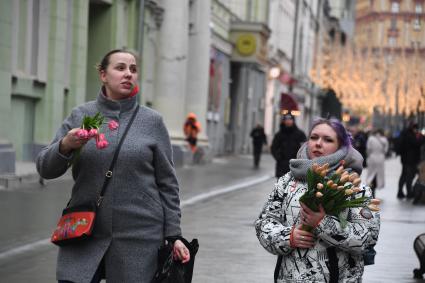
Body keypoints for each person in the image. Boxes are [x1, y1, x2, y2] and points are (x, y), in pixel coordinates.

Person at [36, 49, 190, 283]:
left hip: (139, 237)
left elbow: (168, 183)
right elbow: (45, 168)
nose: (128, 74)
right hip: (85, 231)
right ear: (103, 75)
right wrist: (66, 144)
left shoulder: (152, 121)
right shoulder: (82, 115)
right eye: (120, 68)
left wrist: (174, 235)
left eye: (133, 69)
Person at [255, 118, 380, 283]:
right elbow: (264, 223)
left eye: (328, 139)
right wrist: (288, 237)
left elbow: (367, 238)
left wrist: (322, 223)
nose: (318, 143)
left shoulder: (354, 188)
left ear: (341, 146)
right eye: (314, 137)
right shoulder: (288, 181)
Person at [271, 113, 306, 178]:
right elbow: (273, 147)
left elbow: (304, 147)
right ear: (284, 121)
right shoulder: (279, 135)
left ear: (293, 121)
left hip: (295, 166)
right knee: (281, 186)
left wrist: (299, 160)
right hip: (281, 166)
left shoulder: (300, 134)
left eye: (290, 119)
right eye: (286, 119)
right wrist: (278, 157)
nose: (288, 121)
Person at [397, 121, 424, 199]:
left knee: (404, 175)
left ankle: (400, 192)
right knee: (409, 176)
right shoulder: (410, 135)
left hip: (405, 159)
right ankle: (409, 192)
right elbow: (416, 143)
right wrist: (421, 137)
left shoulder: (404, 133)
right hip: (410, 159)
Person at [366, 128, 389, 197]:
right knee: (378, 175)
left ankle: (371, 189)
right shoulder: (384, 140)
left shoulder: (370, 139)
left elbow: (368, 149)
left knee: (371, 174)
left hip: (372, 158)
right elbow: (385, 150)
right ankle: (375, 187)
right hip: (380, 158)